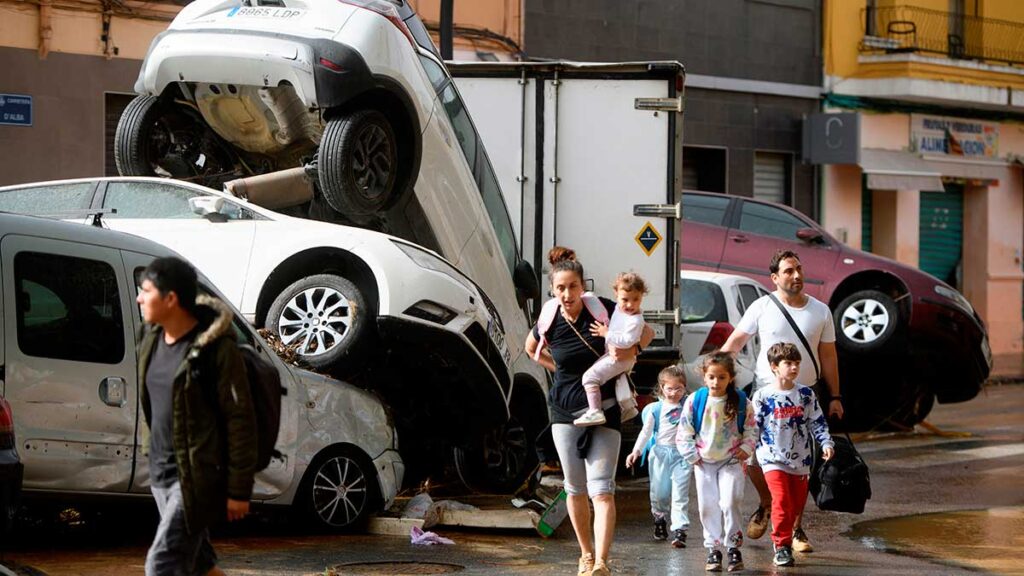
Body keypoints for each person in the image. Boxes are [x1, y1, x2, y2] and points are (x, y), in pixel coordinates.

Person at [525, 247, 654, 576]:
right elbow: (531, 349)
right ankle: (585, 554)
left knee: (602, 489)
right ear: (553, 291)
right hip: (565, 414)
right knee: (575, 488)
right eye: (560, 288)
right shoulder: (550, 317)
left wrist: (629, 351)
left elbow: (648, 332)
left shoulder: (604, 310)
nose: (567, 294)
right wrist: (557, 371)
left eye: (573, 287)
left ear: (583, 286)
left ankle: (601, 561)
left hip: (605, 409)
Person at [137, 257, 257, 576]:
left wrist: (238, 489)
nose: (138, 298)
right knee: (201, 564)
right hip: (160, 471)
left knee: (162, 563)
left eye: (145, 291)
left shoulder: (216, 350)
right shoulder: (150, 338)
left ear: (170, 298)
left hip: (197, 478)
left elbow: (240, 419)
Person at [719, 249, 843, 553]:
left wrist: (836, 396)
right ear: (775, 278)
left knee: (803, 464)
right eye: (789, 271)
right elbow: (736, 341)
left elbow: (828, 355)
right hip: (765, 394)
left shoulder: (821, 311)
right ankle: (767, 502)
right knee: (753, 457)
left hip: (805, 396)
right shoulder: (762, 306)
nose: (797, 275)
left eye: (799, 269)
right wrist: (716, 373)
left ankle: (795, 528)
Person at [752, 343, 835, 567]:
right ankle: (782, 546)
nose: (794, 367)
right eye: (788, 363)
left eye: (797, 363)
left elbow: (817, 422)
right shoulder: (763, 396)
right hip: (772, 458)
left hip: (800, 460)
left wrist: (826, 442)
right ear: (774, 367)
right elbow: (754, 427)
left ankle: (786, 537)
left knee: (796, 505)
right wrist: (745, 449)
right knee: (781, 501)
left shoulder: (806, 395)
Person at [677, 351, 757, 573]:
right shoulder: (696, 400)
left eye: (722, 377)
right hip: (704, 463)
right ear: (704, 376)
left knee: (731, 501)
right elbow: (684, 432)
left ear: (730, 377)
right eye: (711, 377)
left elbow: (751, 428)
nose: (716, 382)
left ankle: (733, 547)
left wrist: (745, 448)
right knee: (707, 506)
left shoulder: (741, 401)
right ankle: (713, 548)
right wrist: (692, 455)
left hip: (731, 460)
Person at [624, 365, 691, 548]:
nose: (674, 393)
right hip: (660, 454)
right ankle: (660, 519)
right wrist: (636, 451)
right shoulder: (656, 409)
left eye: (679, 388)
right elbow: (646, 432)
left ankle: (680, 530)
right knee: (659, 493)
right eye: (669, 388)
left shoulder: (689, 406)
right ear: (661, 388)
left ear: (685, 387)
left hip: (683, 455)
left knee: (680, 493)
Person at [575, 272, 648, 427]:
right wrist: (585, 295)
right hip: (615, 355)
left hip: (622, 357)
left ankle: (595, 411)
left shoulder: (635, 319)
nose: (630, 305)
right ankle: (628, 409)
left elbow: (627, 341)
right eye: (625, 299)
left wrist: (606, 333)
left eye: (636, 299)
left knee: (589, 377)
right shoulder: (617, 309)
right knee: (615, 382)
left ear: (642, 296)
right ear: (616, 294)